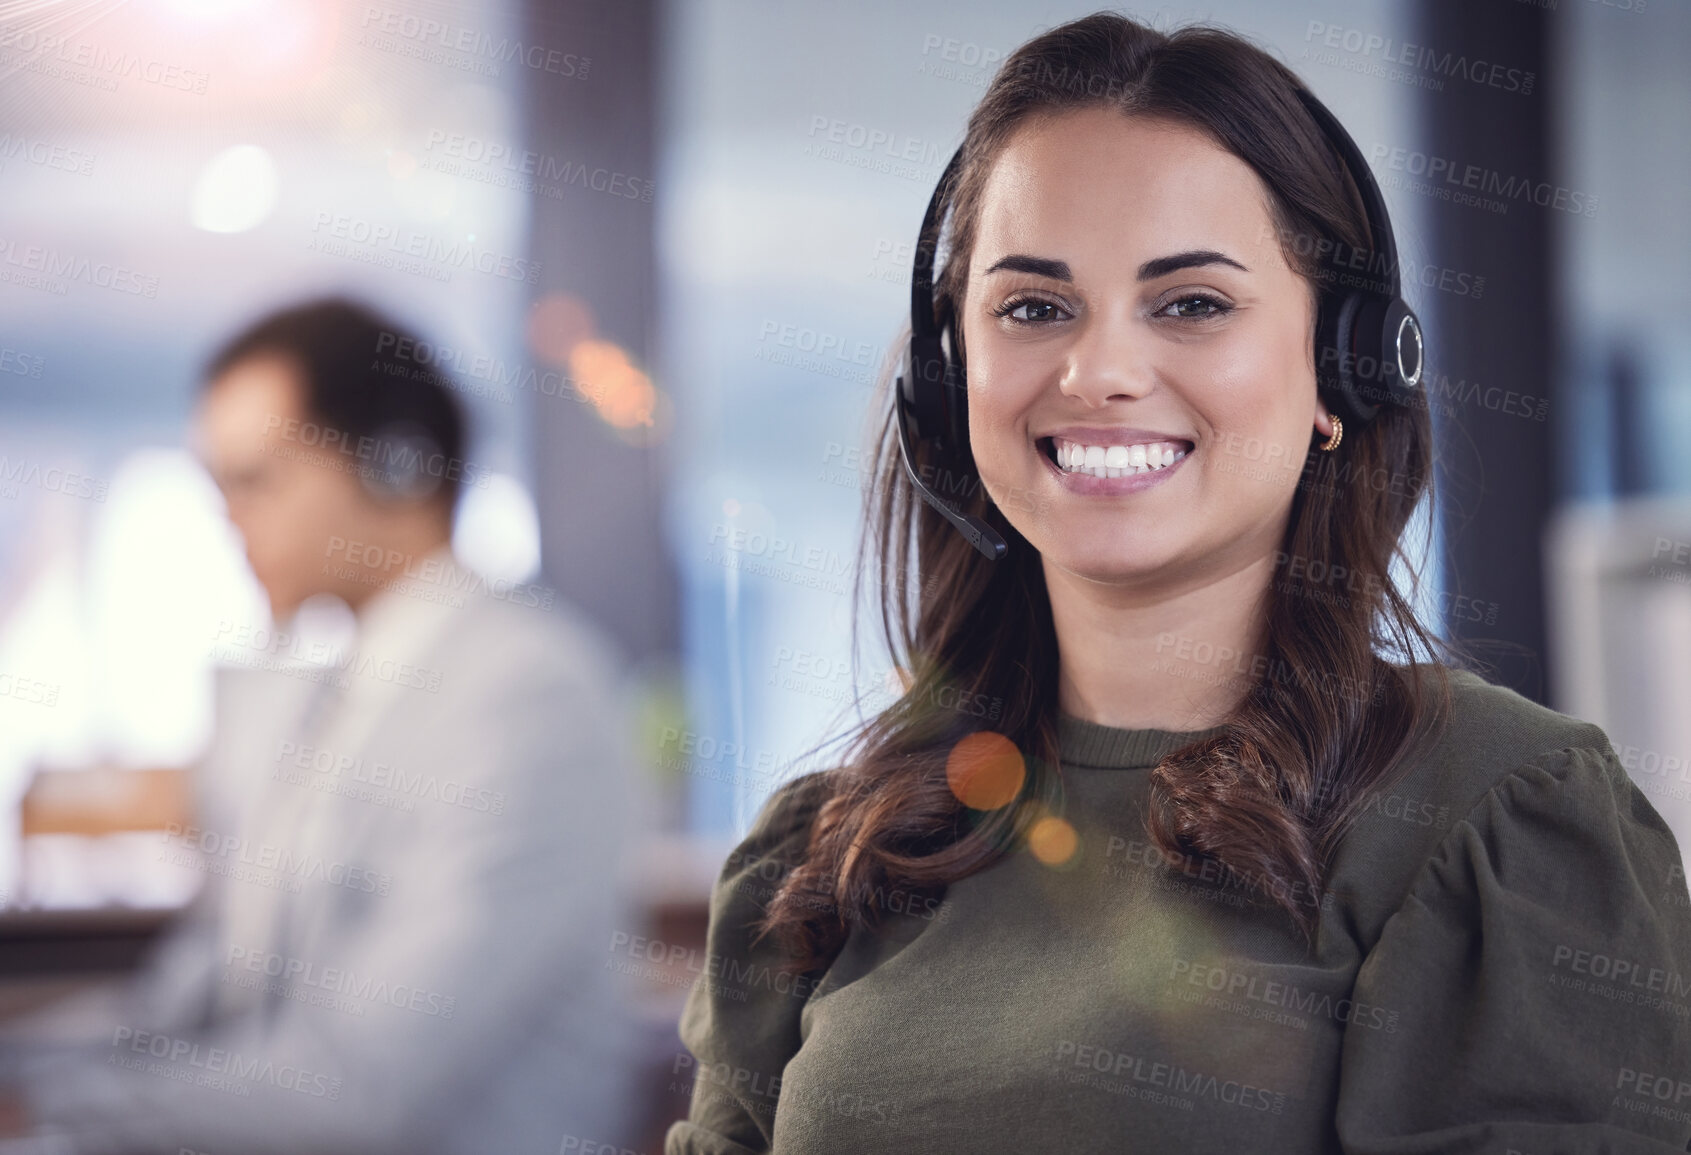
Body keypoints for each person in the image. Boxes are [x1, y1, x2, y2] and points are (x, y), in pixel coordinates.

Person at [665, 14, 1691, 1155]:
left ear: (1341, 368)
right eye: (1033, 307)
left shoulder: (1496, 815)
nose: (1098, 370)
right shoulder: (824, 854)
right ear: (951, 379)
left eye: (1192, 303)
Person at [0, 298, 650, 1153]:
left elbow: (357, 1087)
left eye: (256, 480)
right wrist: (7, 1071)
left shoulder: (529, 695)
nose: (229, 519)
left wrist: (38, 1111)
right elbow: (206, 989)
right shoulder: (331, 689)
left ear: (399, 467)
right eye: (218, 487)